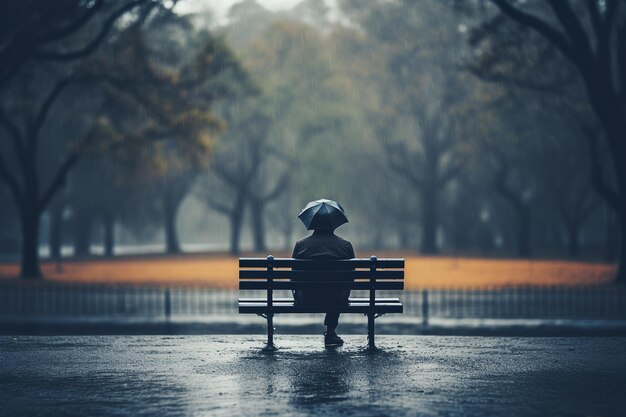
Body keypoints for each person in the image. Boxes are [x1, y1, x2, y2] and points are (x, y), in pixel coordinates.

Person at [292, 205, 355, 348]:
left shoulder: (301, 245)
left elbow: (293, 276)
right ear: (334, 223)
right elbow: (351, 277)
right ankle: (331, 331)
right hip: (336, 298)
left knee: (334, 289)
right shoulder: (345, 245)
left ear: (312, 223)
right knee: (337, 289)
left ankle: (270, 338)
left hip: (307, 297)